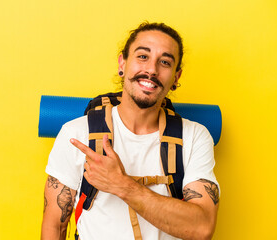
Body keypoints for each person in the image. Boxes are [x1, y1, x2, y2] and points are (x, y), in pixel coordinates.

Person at [41, 22, 219, 240]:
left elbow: (202, 229)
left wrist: (121, 184)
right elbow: (54, 227)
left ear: (175, 77)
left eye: (164, 62)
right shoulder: (77, 134)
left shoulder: (194, 137)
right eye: (142, 56)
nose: (152, 69)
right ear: (122, 63)